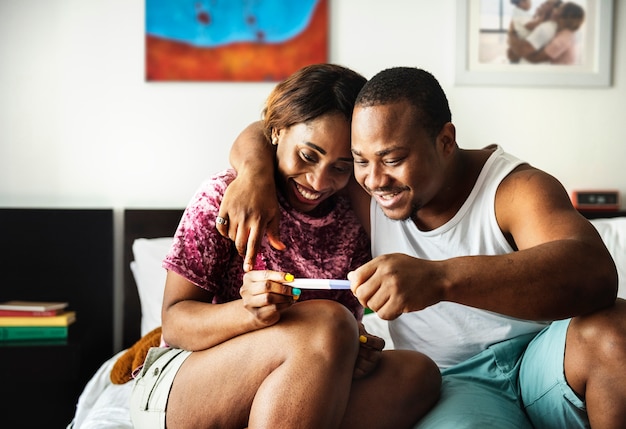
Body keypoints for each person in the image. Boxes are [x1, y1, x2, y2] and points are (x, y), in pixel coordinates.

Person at [220, 66, 626, 428]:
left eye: (393, 158)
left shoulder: (513, 188)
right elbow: (270, 129)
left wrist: (440, 278)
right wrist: (253, 174)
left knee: (615, 328)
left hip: (546, 361)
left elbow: (595, 272)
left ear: (446, 141)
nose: (375, 179)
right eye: (360, 160)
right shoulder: (363, 188)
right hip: (453, 381)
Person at [128, 64, 441, 429]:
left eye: (341, 167)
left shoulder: (354, 217)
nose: (319, 181)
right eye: (308, 156)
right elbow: (176, 324)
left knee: (417, 373)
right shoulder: (226, 197)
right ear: (276, 132)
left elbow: (332, 339)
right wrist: (249, 313)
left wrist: (355, 349)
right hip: (187, 381)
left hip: (296, 386)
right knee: (328, 320)